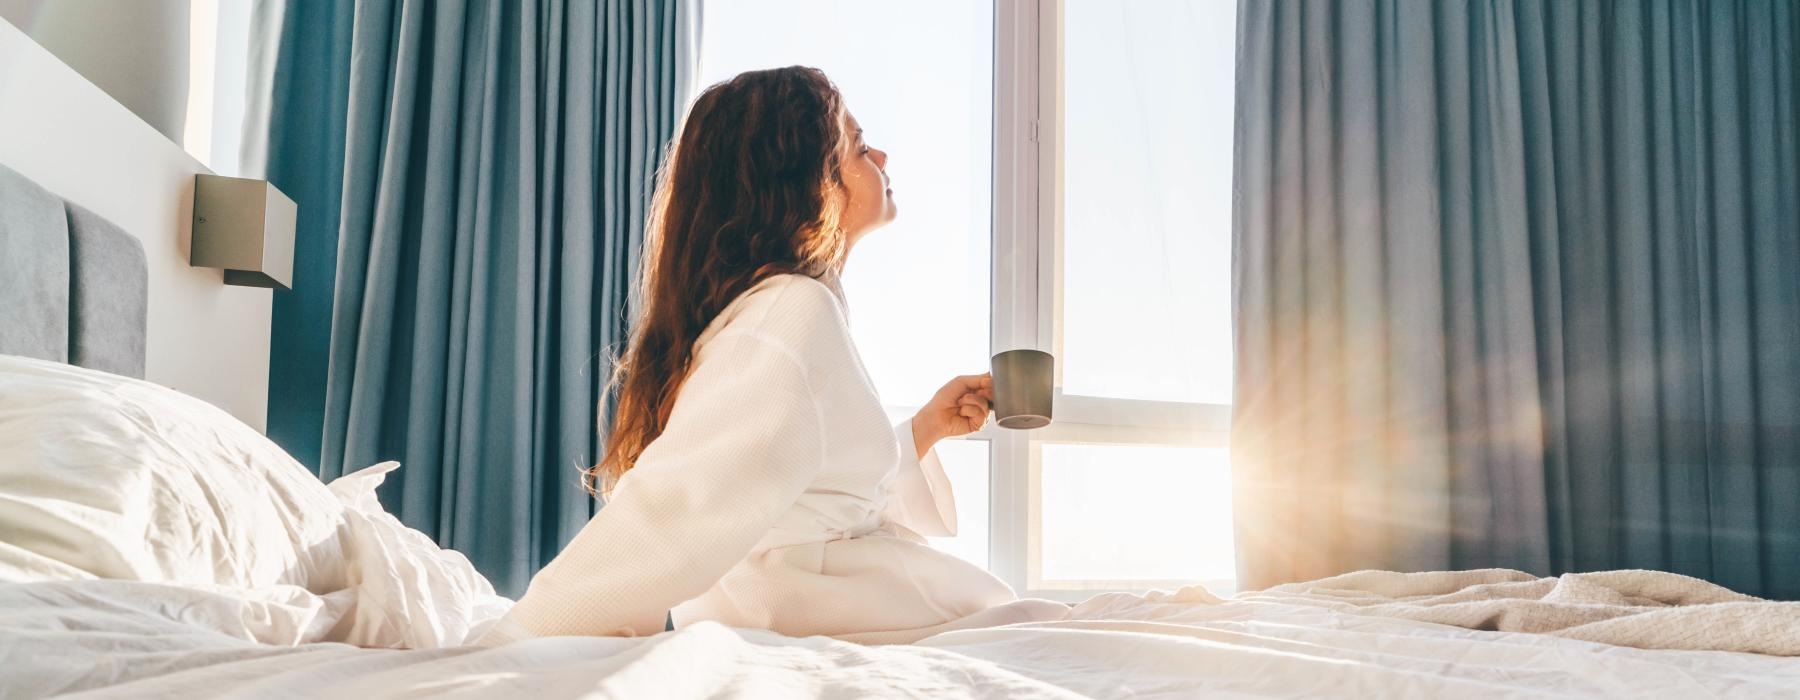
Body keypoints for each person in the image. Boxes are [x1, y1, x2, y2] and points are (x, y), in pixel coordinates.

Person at [475, 66, 1069, 647]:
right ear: (808, 183)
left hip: (851, 615)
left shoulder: (781, 311)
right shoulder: (790, 312)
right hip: (842, 625)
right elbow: (681, 510)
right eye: (859, 148)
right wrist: (514, 642)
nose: (881, 159)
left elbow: (808, 501)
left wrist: (920, 432)